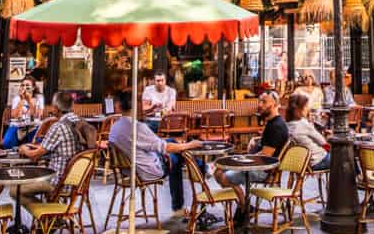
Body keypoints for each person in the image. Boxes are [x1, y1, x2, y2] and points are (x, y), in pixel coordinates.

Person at [109, 90, 201, 217]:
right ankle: (180, 204)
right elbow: (165, 147)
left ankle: (201, 169)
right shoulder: (137, 128)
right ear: (136, 106)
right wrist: (189, 145)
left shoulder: (114, 127)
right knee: (179, 154)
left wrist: (169, 148)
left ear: (118, 106)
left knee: (172, 142)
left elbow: (158, 145)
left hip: (128, 169)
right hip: (147, 170)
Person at [214, 90, 288, 221]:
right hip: (254, 163)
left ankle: (244, 208)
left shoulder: (276, 127)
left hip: (262, 170)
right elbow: (267, 142)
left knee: (224, 177)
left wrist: (240, 160)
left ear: (275, 104)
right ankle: (246, 206)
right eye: (260, 101)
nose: (260, 105)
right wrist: (256, 140)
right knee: (218, 171)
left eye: (264, 102)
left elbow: (265, 156)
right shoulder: (272, 122)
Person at [19, 90, 82, 194]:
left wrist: (24, 149)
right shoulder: (79, 121)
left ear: (56, 108)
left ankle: (45, 210)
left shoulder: (58, 126)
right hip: (76, 182)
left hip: (57, 182)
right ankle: (51, 207)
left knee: (15, 190)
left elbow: (34, 156)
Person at [285, 91, 331, 170]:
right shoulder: (303, 124)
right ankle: (355, 179)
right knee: (346, 155)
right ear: (299, 109)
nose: (308, 109)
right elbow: (322, 141)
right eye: (306, 106)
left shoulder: (288, 124)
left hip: (302, 162)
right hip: (318, 160)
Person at [2, 76, 45, 149]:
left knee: (37, 144)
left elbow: (38, 115)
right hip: (18, 125)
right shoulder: (17, 98)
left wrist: (29, 101)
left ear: (33, 88)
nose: (25, 88)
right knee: (7, 143)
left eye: (27, 85)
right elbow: (14, 116)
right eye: (23, 85)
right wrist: (22, 100)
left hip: (33, 126)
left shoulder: (39, 97)